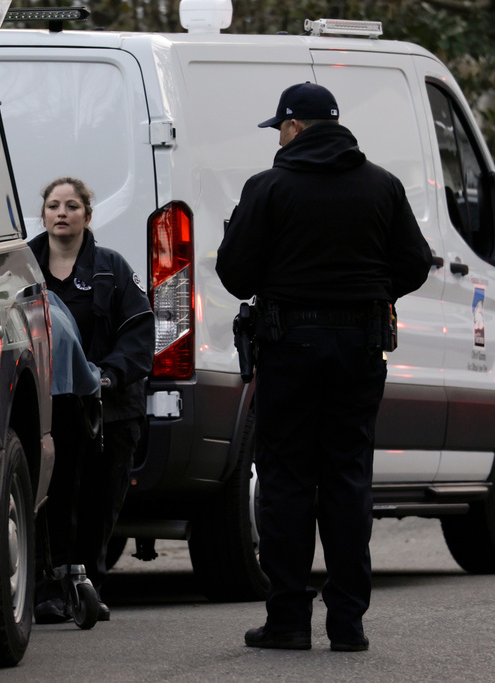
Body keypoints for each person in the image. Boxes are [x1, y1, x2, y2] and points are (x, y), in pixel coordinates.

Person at [216, 83, 433, 652]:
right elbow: (415, 263)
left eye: (279, 129)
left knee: (286, 479)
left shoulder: (268, 187)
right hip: (360, 346)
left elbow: (235, 274)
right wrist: (370, 292)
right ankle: (348, 623)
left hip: (289, 345)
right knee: (347, 477)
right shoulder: (382, 185)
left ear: (293, 127)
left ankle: (288, 619)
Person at [29, 177, 156, 623]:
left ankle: (88, 586)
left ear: (87, 214)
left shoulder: (111, 269)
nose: (61, 213)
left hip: (109, 409)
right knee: (49, 500)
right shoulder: (22, 273)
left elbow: (139, 333)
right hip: (47, 410)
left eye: (71, 206)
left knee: (100, 501)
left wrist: (108, 376)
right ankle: (48, 589)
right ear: (43, 214)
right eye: (53, 206)